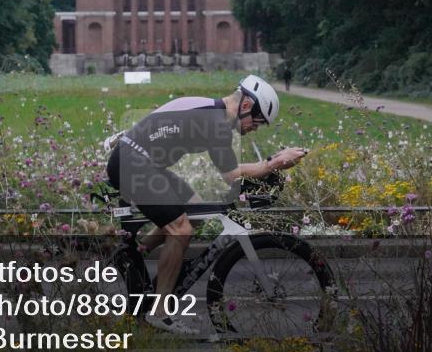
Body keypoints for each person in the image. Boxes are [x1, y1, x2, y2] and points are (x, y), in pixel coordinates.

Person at [103, 75, 307, 334]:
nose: (255, 129)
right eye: (257, 122)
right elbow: (232, 174)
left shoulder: (213, 112)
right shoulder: (216, 122)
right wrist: (274, 163)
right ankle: (159, 313)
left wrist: (270, 163)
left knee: (196, 211)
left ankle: (134, 254)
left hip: (141, 161)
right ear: (246, 106)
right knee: (181, 229)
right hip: (133, 163)